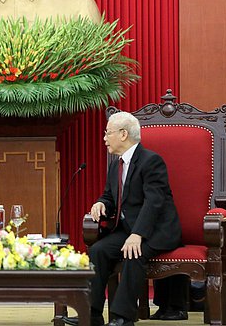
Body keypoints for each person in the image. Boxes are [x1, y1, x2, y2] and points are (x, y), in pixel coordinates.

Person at [62, 111, 182, 326]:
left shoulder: (151, 161)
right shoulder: (115, 164)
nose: (104, 138)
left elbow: (154, 202)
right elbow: (110, 195)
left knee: (133, 253)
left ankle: (123, 317)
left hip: (157, 231)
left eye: (108, 133)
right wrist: (101, 203)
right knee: (98, 251)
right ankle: (91, 314)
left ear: (123, 134)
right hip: (128, 229)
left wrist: (138, 234)